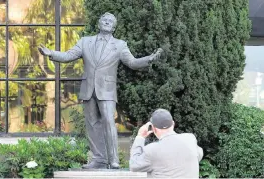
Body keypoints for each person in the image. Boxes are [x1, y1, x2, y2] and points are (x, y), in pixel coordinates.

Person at [38, 12, 163, 169]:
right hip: (88, 88)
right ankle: (99, 159)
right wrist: (52, 53)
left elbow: (132, 62)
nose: (107, 22)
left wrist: (148, 60)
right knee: (92, 124)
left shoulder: (120, 45)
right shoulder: (85, 42)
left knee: (109, 122)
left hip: (107, 90)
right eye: (104, 19)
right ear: (99, 23)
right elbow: (69, 55)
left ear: (114, 27)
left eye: (110, 21)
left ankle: (114, 160)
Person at [129, 108, 203, 178]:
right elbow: (198, 155)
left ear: (154, 128)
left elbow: (134, 165)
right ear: (173, 124)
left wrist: (140, 137)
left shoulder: (152, 150)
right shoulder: (190, 139)